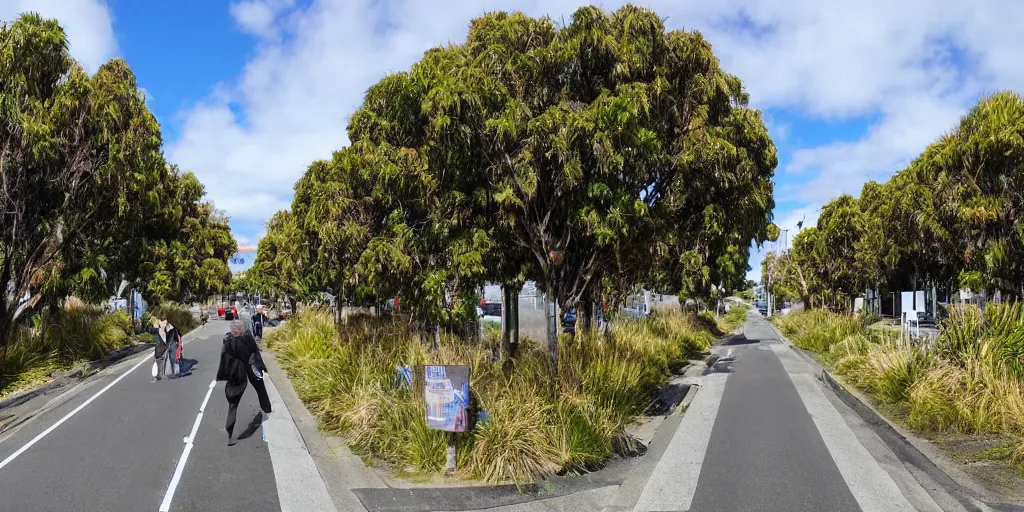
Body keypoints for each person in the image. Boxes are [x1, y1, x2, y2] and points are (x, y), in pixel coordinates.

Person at [217, 320, 272, 445]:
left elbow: (224, 357)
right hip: (249, 368)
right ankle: (266, 414)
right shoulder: (246, 337)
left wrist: (224, 373)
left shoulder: (227, 340)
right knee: (260, 389)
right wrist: (262, 367)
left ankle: (229, 432)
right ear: (241, 329)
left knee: (233, 403)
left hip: (235, 373)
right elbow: (256, 353)